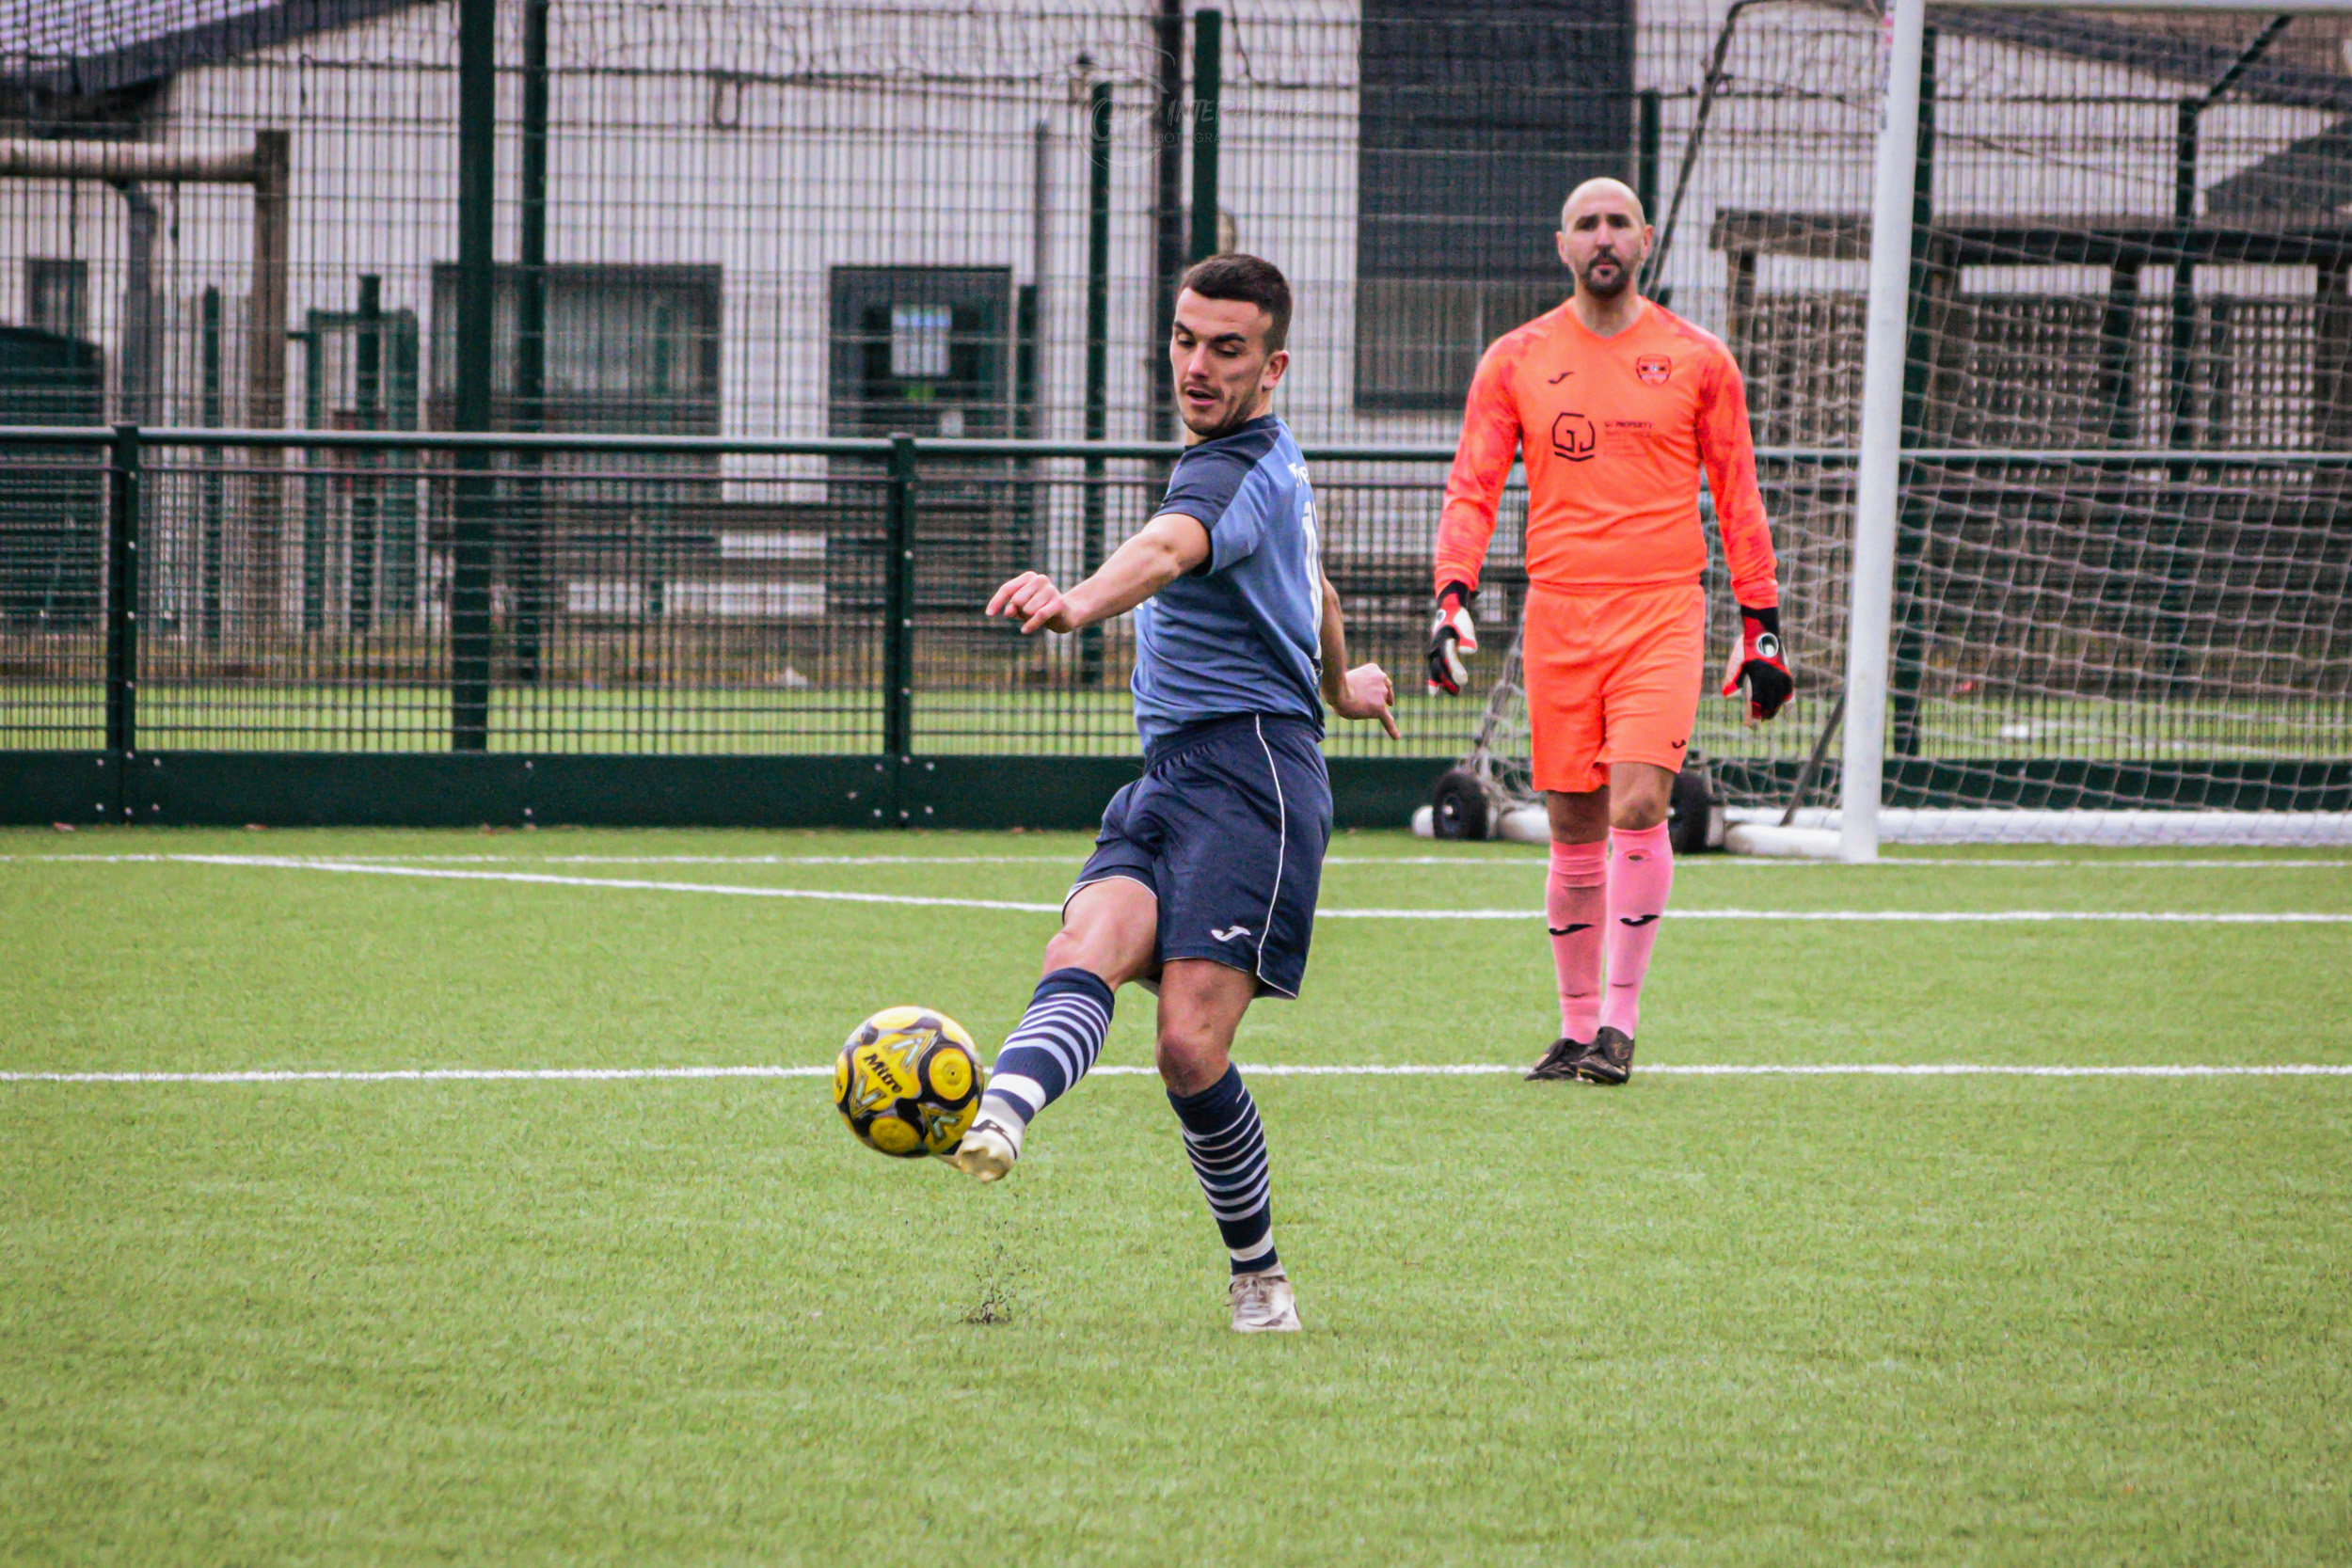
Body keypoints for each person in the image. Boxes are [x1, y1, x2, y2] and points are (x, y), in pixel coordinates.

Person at [961, 253, 1400, 1334]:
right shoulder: (1263, 466)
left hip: (1254, 775)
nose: (1197, 366)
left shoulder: (1232, 470)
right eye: (1184, 339)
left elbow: (1163, 551)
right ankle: (999, 1113)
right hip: (1171, 771)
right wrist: (1344, 683)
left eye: (1227, 348)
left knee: (1187, 1048)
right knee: (1086, 941)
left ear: (1274, 363)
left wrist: (1074, 605)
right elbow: (1318, 584)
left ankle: (1260, 1278)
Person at [1427, 178, 1792, 1087]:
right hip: (1557, 614)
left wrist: (1763, 627)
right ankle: (1575, 1027)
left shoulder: (1699, 359)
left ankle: (1620, 1028)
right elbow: (1472, 488)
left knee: (1638, 803)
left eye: (1617, 222)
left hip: (1663, 611)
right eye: (1586, 223)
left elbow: (1739, 497)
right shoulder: (1515, 359)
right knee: (1571, 824)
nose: (1603, 237)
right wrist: (1450, 596)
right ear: (1562, 245)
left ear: (1646, 239)